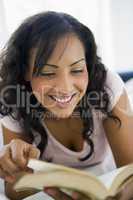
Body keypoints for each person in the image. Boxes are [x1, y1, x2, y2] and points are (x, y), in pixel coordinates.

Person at [0, 11, 133, 200]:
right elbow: (14, 190)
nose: (65, 87)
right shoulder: (14, 99)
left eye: (77, 70)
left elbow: (130, 172)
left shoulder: (106, 87)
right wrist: (17, 167)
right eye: (47, 73)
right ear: (25, 72)